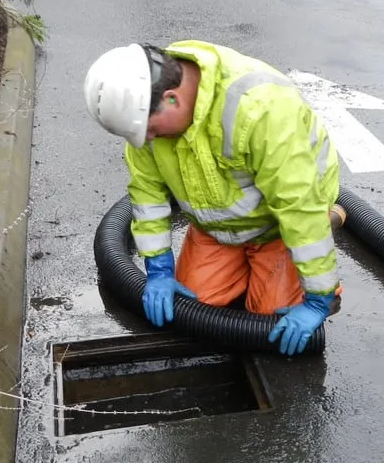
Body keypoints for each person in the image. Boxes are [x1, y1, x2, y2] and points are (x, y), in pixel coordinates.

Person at [82, 40, 341, 356]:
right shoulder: (145, 121)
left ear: (171, 98)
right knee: (193, 305)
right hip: (217, 226)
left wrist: (318, 297)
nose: (146, 139)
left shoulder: (258, 109)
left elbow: (297, 206)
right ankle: (246, 263)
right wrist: (158, 269)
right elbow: (147, 196)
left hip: (280, 224)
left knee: (270, 321)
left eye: (149, 129)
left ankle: (329, 229)